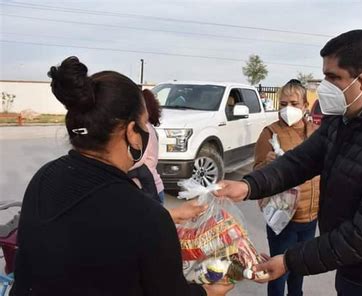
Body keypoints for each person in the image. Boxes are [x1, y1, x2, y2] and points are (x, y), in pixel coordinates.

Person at [215, 30, 362, 296]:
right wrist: (248, 186)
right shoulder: (345, 116)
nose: (324, 86)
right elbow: (300, 161)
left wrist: (290, 260)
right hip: (352, 265)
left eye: (333, 77)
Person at [11, 56, 232, 296]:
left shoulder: (45, 178)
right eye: (145, 123)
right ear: (131, 132)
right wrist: (208, 293)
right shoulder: (145, 215)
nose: (148, 131)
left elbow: (89, 226)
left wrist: (171, 215)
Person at [254, 79, 319, 296]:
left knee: (299, 268)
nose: (287, 109)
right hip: (283, 218)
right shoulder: (270, 133)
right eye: (283, 103)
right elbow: (256, 172)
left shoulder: (317, 133)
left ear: (305, 106)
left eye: (293, 103)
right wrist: (267, 164)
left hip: (310, 217)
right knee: (277, 271)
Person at [128, 89, 207, 224]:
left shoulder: (145, 129)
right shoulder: (146, 128)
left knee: (153, 227)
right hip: (147, 186)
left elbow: (140, 160)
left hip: (149, 188)